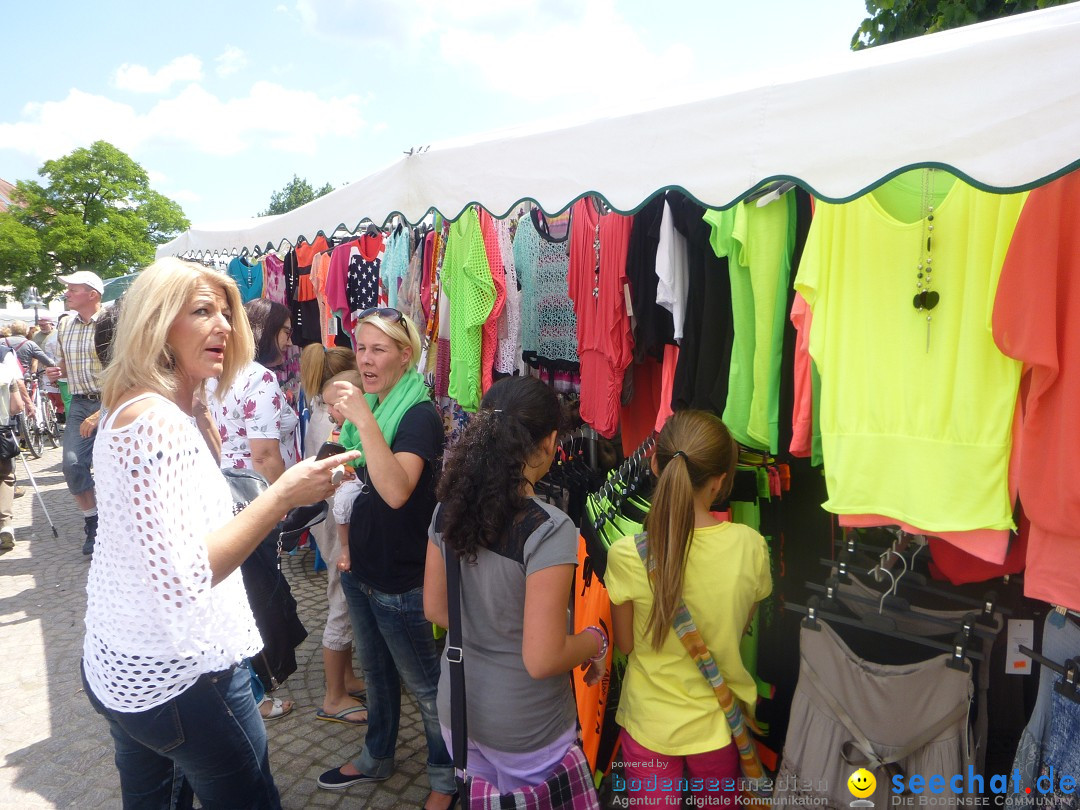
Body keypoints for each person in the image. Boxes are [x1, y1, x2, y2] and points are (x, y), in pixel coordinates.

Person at [81, 257, 358, 809]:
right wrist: (282, 495)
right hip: (183, 676)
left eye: (227, 312)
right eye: (203, 311)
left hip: (126, 667)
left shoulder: (141, 408)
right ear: (156, 325)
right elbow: (186, 575)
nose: (225, 326)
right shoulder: (155, 421)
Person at [423, 375, 608, 793]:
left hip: (460, 710)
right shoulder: (548, 529)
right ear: (550, 443)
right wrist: (594, 641)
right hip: (528, 727)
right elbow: (542, 659)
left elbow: (435, 610)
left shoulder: (448, 508)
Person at [317, 308, 455, 810]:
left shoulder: (417, 414)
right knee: (376, 678)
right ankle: (378, 756)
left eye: (379, 349)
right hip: (363, 570)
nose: (367, 360)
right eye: (361, 349)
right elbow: (355, 480)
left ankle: (446, 778)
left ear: (404, 354)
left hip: (405, 579)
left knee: (426, 686)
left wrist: (362, 420)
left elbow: (396, 490)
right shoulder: (372, 408)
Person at [603, 410, 772, 808]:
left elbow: (626, 644)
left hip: (649, 724)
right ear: (720, 482)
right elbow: (739, 626)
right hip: (719, 723)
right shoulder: (750, 546)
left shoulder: (627, 554)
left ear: (655, 464)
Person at [206, 298, 301, 720]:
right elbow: (264, 454)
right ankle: (259, 689)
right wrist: (282, 499)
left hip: (217, 493)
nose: (289, 340)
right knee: (259, 596)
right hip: (254, 497)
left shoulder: (212, 373)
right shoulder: (258, 378)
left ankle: (250, 684)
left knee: (240, 593)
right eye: (284, 331)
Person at [299, 343, 367, 726]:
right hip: (335, 520)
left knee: (339, 593)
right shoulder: (337, 423)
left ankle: (345, 677)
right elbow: (341, 486)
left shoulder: (320, 412)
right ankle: (333, 695)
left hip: (330, 517)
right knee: (340, 599)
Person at [44, 270, 105, 556]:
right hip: (80, 402)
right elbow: (64, 367)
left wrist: (103, 412)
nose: (66, 293)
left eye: (73, 289)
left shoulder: (110, 322)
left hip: (113, 401)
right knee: (72, 464)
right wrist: (57, 373)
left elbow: (125, 370)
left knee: (112, 467)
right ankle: (93, 521)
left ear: (92, 294)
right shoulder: (65, 325)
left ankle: (118, 525)